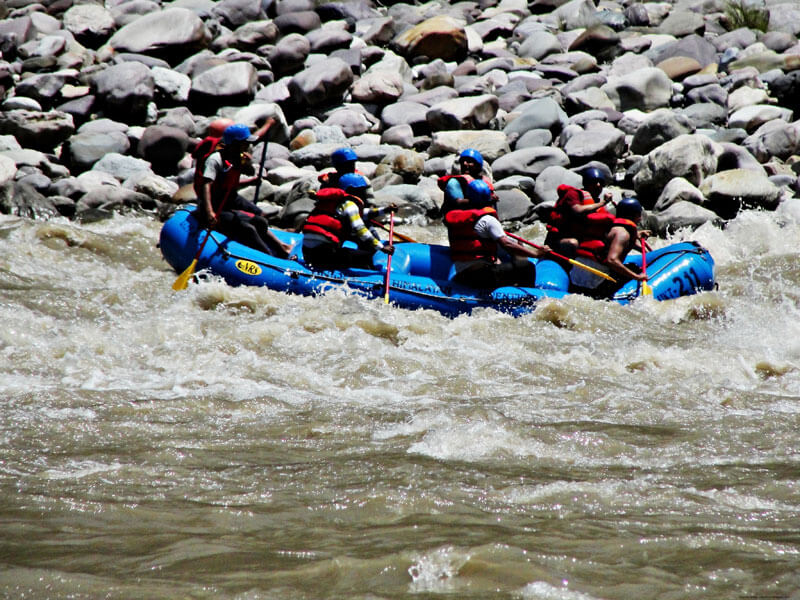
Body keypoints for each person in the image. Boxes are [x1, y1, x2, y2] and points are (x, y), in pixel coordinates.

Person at [197, 122, 292, 257]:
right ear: (235, 143)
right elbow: (207, 184)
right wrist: (209, 212)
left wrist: (251, 180)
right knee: (248, 228)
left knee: (261, 219)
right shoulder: (215, 160)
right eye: (245, 142)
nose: (248, 145)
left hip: (230, 197)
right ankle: (268, 257)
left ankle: (282, 247)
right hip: (214, 203)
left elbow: (230, 183)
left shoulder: (238, 157)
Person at [444, 179, 549, 289]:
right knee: (527, 267)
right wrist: (535, 254)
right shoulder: (488, 220)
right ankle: (526, 299)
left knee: (505, 261)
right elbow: (506, 244)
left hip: (460, 274)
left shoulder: (457, 217)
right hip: (480, 276)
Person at [302, 172, 394, 270]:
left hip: (307, 252)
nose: (363, 194)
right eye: (361, 190)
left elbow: (363, 214)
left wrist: (385, 210)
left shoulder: (334, 202)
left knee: (348, 252)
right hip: (324, 253)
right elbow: (360, 229)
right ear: (351, 189)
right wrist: (382, 247)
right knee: (366, 257)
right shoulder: (350, 204)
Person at [568, 197, 649, 298]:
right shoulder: (623, 234)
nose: (640, 219)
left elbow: (617, 242)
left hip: (574, 279)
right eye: (639, 215)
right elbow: (612, 260)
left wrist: (637, 237)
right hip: (593, 285)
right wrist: (637, 277)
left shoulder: (609, 226)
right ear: (636, 215)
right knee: (634, 268)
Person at [545, 166, 614, 256]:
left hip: (582, 239)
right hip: (560, 239)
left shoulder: (596, 203)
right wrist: (603, 202)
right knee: (573, 243)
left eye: (600, 183)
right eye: (594, 182)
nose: (598, 185)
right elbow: (577, 210)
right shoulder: (573, 194)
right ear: (586, 183)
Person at [438, 148, 495, 215]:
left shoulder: (484, 181)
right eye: (463, 162)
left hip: (477, 216)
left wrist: (493, 198)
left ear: (478, 165)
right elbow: (458, 203)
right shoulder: (454, 182)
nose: (465, 164)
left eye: (469, 161)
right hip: (457, 218)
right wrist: (483, 200)